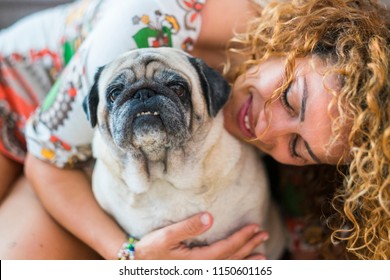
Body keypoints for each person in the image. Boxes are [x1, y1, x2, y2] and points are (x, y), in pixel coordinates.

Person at [0, 0, 388, 260]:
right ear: (300, 42)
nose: (267, 129)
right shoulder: (154, 18)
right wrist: (132, 256)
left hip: (86, 162)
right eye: (288, 99)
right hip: (17, 102)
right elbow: (46, 163)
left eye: (299, 145)